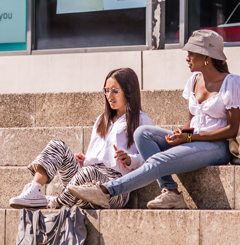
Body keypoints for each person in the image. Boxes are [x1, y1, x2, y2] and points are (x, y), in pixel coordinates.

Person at [69, 30, 240, 209]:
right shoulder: (194, 80)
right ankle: (171, 192)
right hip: (193, 140)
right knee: (142, 133)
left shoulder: (232, 83)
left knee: (159, 160)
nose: (187, 58)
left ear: (207, 57)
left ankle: (105, 191)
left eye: (191, 54)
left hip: (217, 146)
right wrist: (181, 133)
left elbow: (232, 129)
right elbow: (193, 122)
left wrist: (190, 138)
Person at [9, 68, 154, 209]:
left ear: (129, 92)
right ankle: (35, 190)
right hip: (84, 182)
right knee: (57, 145)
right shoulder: (102, 120)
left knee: (88, 173)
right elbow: (95, 158)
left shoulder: (142, 121)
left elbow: (152, 161)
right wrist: (85, 160)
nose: (109, 96)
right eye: (107, 90)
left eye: (115, 91)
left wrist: (130, 159)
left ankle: (56, 202)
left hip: (115, 188)